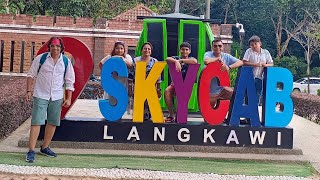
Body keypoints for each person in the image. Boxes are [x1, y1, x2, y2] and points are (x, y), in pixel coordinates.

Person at [25, 37, 75, 163]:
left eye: (58, 46)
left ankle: (45, 147)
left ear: (61, 48)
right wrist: (29, 91)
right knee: (36, 122)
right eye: (53, 46)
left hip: (57, 96)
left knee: (52, 122)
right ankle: (31, 151)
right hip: (41, 94)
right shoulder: (41, 59)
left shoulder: (65, 61)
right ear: (49, 47)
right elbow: (31, 75)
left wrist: (68, 98)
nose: (55, 48)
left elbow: (69, 81)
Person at [204, 38, 243, 108]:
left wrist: (229, 67)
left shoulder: (226, 56)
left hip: (223, 89)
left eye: (219, 46)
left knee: (235, 94)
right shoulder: (208, 54)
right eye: (215, 46)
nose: (217, 48)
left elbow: (240, 62)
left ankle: (230, 116)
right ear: (212, 47)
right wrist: (217, 59)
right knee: (208, 113)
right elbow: (206, 61)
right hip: (210, 90)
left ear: (222, 47)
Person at [164, 42, 198, 123]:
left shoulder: (190, 59)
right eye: (183, 49)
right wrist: (176, 62)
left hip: (186, 86)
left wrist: (181, 61)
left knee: (182, 102)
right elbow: (167, 59)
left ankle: (180, 117)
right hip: (175, 84)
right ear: (180, 50)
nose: (184, 51)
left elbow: (195, 61)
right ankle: (171, 114)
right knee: (167, 91)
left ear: (189, 51)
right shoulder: (176, 58)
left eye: (186, 50)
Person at [132, 42, 161, 120]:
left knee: (150, 107)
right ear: (142, 50)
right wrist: (130, 88)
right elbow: (131, 74)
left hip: (151, 88)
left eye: (149, 49)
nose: (147, 50)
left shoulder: (155, 61)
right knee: (139, 109)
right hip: (139, 87)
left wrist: (158, 89)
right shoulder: (136, 60)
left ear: (151, 51)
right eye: (145, 48)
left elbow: (158, 78)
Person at [99, 41, 133, 107]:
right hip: (112, 82)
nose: (119, 50)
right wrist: (107, 73)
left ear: (124, 50)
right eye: (117, 48)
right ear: (114, 49)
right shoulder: (110, 57)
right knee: (110, 98)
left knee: (120, 99)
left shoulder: (127, 57)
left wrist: (122, 59)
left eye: (121, 48)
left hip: (122, 82)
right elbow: (101, 64)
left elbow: (130, 65)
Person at [242, 35, 273, 105]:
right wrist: (255, 64)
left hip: (260, 77)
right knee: (248, 94)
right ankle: (247, 110)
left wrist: (265, 65)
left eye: (256, 44)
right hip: (250, 76)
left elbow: (271, 64)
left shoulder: (266, 52)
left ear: (260, 44)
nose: (254, 46)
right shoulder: (249, 51)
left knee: (257, 94)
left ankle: (254, 111)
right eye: (252, 45)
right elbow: (244, 62)